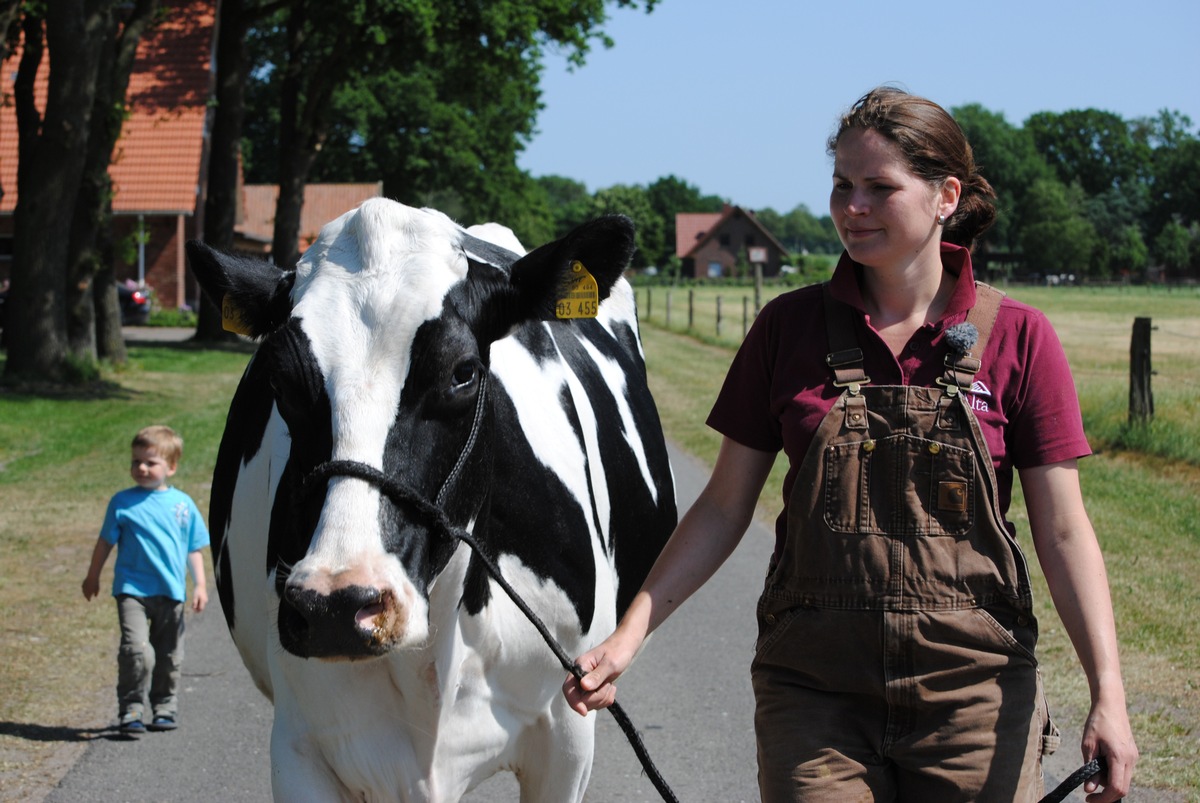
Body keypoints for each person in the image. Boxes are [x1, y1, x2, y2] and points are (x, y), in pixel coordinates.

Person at [563, 87, 1138, 802]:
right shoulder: (786, 328)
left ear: (944, 196)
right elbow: (722, 508)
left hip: (975, 695)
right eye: (841, 185)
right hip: (815, 696)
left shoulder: (1019, 337)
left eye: (877, 187)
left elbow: (1062, 529)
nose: (851, 207)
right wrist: (627, 640)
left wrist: (1107, 695)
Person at [82, 425, 210, 736]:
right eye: (136, 461)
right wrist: (93, 575)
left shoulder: (182, 505)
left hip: (171, 592)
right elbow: (104, 543)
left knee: (169, 655)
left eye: (150, 462)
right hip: (131, 591)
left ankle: (164, 706)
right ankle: (131, 708)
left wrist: (201, 585)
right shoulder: (121, 502)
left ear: (171, 467)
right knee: (136, 650)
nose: (141, 468)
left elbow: (193, 548)